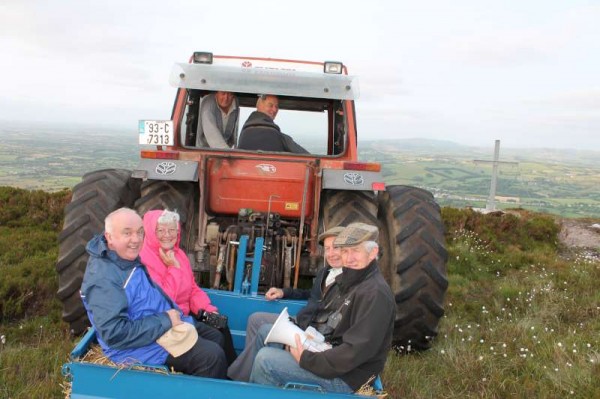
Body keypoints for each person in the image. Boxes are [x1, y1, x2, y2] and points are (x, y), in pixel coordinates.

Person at [80, 207, 227, 379]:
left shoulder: (127, 259)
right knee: (211, 357)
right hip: (134, 347)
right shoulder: (103, 278)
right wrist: (165, 320)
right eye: (127, 233)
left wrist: (185, 314)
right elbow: (115, 334)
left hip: (156, 326)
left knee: (216, 335)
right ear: (109, 237)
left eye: (139, 232)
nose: (136, 240)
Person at [248, 222, 395, 394]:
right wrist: (313, 340)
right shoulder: (353, 281)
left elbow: (355, 352)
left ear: (373, 253)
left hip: (347, 378)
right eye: (346, 251)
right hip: (330, 353)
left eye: (356, 251)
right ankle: (250, 387)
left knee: (265, 360)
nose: (349, 258)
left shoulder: (375, 293)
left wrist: (307, 359)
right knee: (268, 333)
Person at [227, 226, 345, 381]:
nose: (330, 254)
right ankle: (249, 372)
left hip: (312, 330)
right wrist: (284, 292)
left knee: (263, 328)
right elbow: (311, 294)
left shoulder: (348, 282)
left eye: (336, 248)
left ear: (347, 249)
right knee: (256, 319)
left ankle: (238, 379)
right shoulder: (326, 272)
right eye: (328, 249)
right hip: (303, 321)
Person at [139, 209, 237, 365]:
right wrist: (173, 268)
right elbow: (164, 299)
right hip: (167, 320)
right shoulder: (145, 260)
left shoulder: (179, 254)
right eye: (161, 230)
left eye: (172, 230)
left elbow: (192, 288)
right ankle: (213, 375)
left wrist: (206, 310)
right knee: (215, 339)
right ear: (151, 232)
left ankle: (232, 375)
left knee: (221, 327)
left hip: (184, 314)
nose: (167, 234)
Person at [237, 94, 309, 154]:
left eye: (276, 106)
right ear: (259, 106)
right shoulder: (275, 133)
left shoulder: (245, 131)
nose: (274, 110)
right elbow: (302, 153)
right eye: (270, 105)